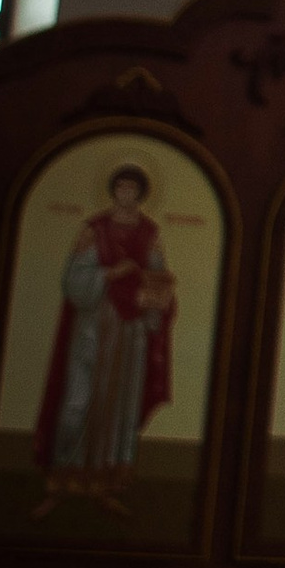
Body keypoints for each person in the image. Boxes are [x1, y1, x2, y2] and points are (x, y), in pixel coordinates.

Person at [32, 161, 176, 513]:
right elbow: (73, 280)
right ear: (113, 190)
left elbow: (158, 278)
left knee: (120, 403)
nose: (126, 193)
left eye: (132, 188)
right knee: (78, 399)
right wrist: (111, 273)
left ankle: (106, 483)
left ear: (141, 194)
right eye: (121, 187)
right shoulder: (93, 230)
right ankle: (62, 478)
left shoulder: (150, 233)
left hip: (130, 331)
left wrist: (155, 300)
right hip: (93, 324)